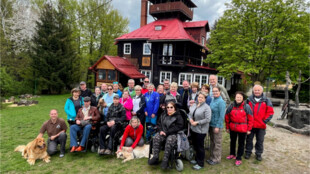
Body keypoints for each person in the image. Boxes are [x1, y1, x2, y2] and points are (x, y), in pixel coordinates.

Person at [148, 102, 184, 169]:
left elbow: (179, 126)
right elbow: (158, 124)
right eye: (168, 107)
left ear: (174, 108)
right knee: (156, 137)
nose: (169, 109)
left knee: (169, 139)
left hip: (173, 134)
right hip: (163, 132)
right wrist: (160, 130)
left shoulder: (178, 116)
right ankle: (155, 157)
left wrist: (167, 132)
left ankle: (165, 160)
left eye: (171, 107)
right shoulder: (163, 114)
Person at [245, 85, 274, 161]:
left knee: (260, 141)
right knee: (249, 140)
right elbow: (245, 111)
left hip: (261, 126)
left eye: (258, 90)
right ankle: (248, 152)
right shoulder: (248, 100)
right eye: (255, 90)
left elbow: (270, 112)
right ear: (253, 91)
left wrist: (264, 121)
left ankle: (258, 154)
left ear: (262, 91)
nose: (257, 92)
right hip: (250, 125)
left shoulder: (266, 100)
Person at [225, 91, 253, 166]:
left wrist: (249, 129)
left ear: (243, 98)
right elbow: (227, 117)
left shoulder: (246, 107)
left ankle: (239, 157)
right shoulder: (231, 106)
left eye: (240, 97)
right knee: (232, 141)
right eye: (237, 97)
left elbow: (250, 118)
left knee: (241, 143)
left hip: (243, 128)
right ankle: (232, 154)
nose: (238, 98)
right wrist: (227, 127)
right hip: (233, 127)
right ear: (235, 98)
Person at [188, 92, 211, 170]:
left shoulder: (207, 107)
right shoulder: (194, 105)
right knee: (195, 145)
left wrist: (197, 122)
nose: (200, 98)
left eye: (202, 97)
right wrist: (190, 119)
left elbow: (208, 119)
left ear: (205, 99)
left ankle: (200, 163)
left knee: (200, 147)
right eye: (199, 97)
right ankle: (196, 159)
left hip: (201, 130)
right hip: (193, 129)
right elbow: (190, 113)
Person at [207, 86, 226, 165]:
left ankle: (216, 159)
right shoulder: (213, 100)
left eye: (216, 91)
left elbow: (222, 116)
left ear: (220, 91)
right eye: (213, 91)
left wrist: (218, 126)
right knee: (212, 142)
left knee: (217, 143)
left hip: (217, 125)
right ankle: (212, 157)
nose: (214, 92)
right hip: (211, 124)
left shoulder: (221, 102)